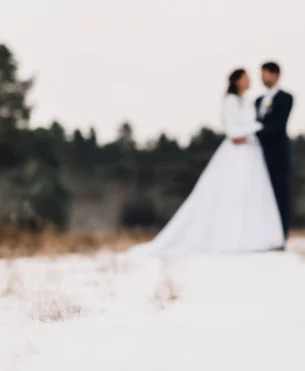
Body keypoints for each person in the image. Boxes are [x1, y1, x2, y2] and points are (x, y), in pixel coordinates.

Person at [124, 69, 284, 257]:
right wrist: (254, 129)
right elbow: (232, 129)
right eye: (246, 78)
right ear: (237, 81)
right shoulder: (231, 100)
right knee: (231, 193)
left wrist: (253, 131)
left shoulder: (249, 100)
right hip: (237, 152)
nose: (250, 81)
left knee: (252, 193)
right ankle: (229, 237)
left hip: (251, 152)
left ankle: (255, 237)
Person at [233, 62, 294, 241]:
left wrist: (252, 135)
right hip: (258, 155)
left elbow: (277, 126)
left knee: (280, 195)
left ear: (275, 75)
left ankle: (281, 236)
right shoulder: (258, 100)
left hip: (278, 155)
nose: (262, 78)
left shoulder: (286, 98)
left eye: (265, 74)